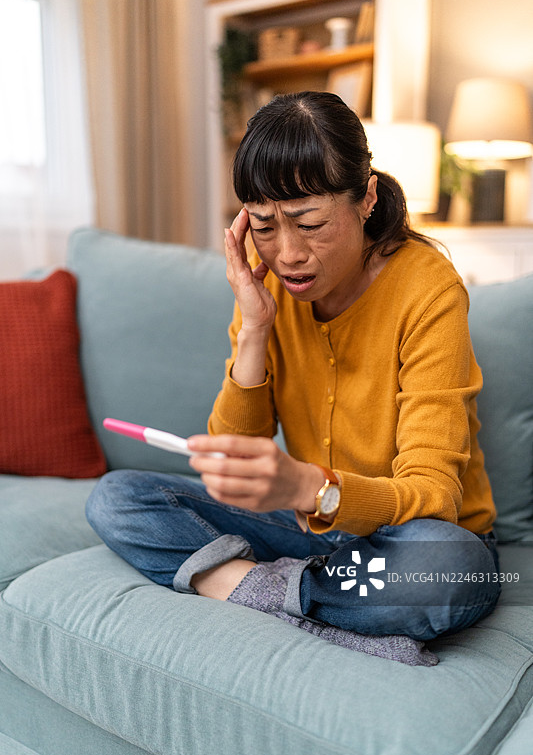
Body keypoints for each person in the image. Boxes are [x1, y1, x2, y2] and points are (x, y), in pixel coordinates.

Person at [86, 92, 500, 662]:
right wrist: (255, 327)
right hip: (312, 532)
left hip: (411, 535)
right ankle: (309, 599)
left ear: (366, 199)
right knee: (118, 497)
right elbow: (236, 461)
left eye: (309, 223)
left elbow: (434, 497)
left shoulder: (428, 291)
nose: (287, 254)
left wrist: (310, 487)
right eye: (263, 225)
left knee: (452, 570)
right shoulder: (267, 287)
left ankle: (242, 583)